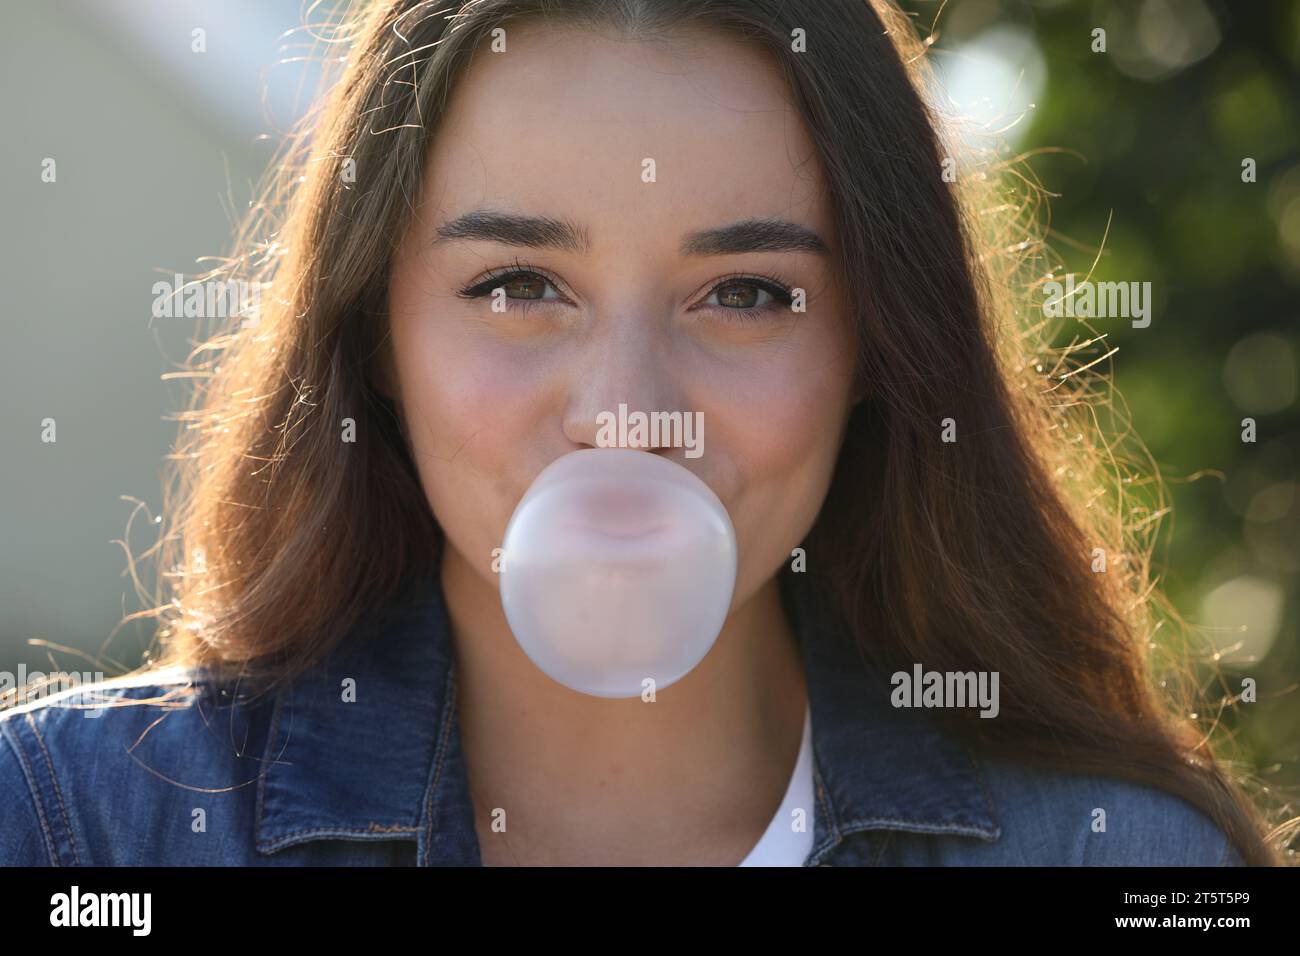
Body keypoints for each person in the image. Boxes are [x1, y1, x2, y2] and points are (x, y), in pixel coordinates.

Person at [0, 0, 1283, 866]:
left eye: (745, 294)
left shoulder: (1119, 856)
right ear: (375, 333)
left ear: (874, 350)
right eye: (516, 284)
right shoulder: (77, 831)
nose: (626, 409)